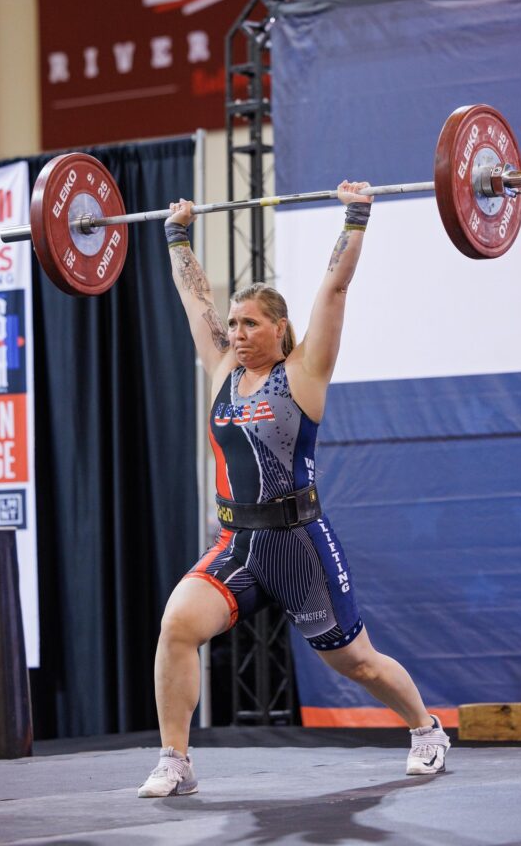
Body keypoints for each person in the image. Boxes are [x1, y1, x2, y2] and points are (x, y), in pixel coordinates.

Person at [138, 181, 450, 798]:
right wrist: (178, 235)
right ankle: (176, 759)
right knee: (177, 626)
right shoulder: (225, 369)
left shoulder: (303, 374)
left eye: (250, 323)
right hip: (237, 545)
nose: (236, 332)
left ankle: (427, 730)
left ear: (280, 328)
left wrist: (356, 216)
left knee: (355, 662)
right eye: (232, 324)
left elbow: (334, 288)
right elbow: (192, 297)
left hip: (299, 545)